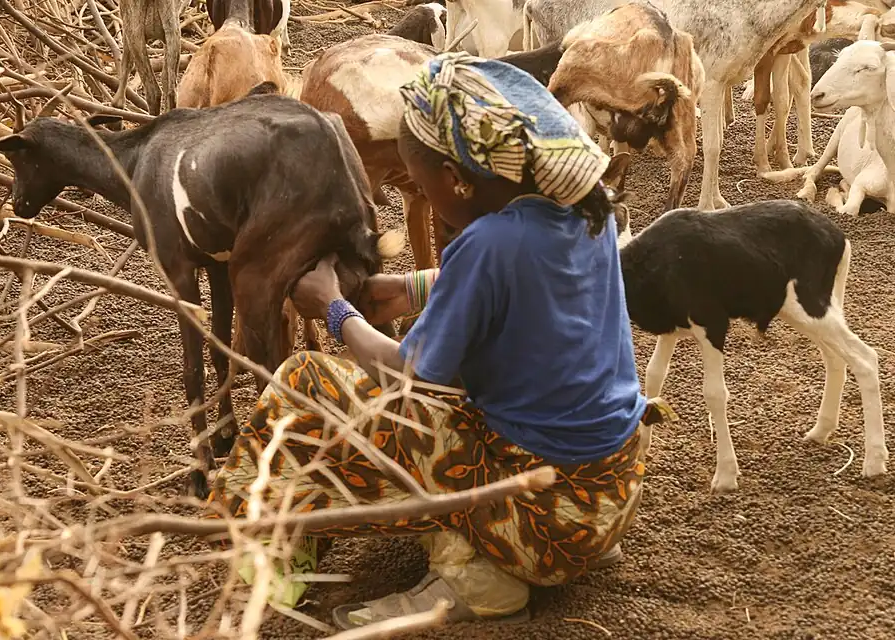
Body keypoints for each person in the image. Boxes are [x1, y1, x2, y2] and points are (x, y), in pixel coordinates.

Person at [205, 51, 677, 629]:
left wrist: (333, 310)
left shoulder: (490, 246)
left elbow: (408, 374)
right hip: (606, 491)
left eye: (421, 183)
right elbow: (527, 290)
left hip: (541, 519)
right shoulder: (582, 209)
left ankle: (454, 570)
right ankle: (511, 550)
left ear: (455, 180)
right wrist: (411, 287)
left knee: (306, 386)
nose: (421, 194)